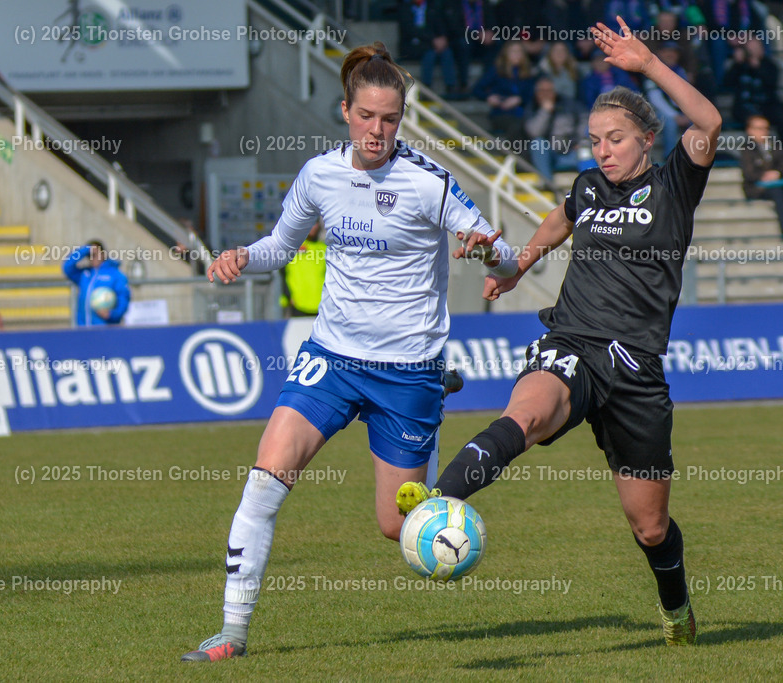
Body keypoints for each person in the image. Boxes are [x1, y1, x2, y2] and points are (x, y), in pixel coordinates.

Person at [182, 42, 516, 663]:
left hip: (406, 369)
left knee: (398, 528)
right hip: (331, 357)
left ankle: (433, 407)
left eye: (390, 119)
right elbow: (280, 246)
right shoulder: (319, 176)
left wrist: (485, 248)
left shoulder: (428, 182)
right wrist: (240, 257)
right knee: (266, 478)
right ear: (346, 111)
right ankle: (232, 633)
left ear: (402, 119)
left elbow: (503, 249)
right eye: (367, 116)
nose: (378, 131)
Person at [396, 17, 722, 647]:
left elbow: (708, 124)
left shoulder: (676, 185)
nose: (603, 150)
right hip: (572, 340)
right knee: (528, 413)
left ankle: (677, 608)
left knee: (649, 528)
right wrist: (519, 263)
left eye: (616, 139)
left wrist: (649, 65)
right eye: (596, 139)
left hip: (636, 371)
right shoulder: (589, 186)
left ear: (647, 140)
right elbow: (561, 217)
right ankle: (435, 503)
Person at [524, 77, 589, 183]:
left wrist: (581, 141)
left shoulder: (570, 104)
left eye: (549, 90)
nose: (545, 94)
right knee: (537, 143)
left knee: (587, 150)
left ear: (554, 92)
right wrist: (545, 111)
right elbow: (534, 132)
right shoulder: (532, 108)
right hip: (550, 156)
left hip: (572, 152)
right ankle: (548, 185)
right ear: (536, 93)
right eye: (541, 91)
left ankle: (592, 189)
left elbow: (585, 119)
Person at [62, 240, 130, 326]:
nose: (92, 258)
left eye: (94, 255)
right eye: (89, 256)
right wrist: (85, 250)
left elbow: (123, 298)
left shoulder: (115, 275)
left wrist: (112, 314)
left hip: (104, 329)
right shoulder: (85, 274)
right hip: (83, 328)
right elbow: (67, 267)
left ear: (102, 254)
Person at [398, 0, 458, 95]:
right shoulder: (405, 8)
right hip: (413, 46)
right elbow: (409, 30)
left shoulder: (433, 7)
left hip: (432, 44)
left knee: (447, 52)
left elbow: (440, 25)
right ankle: (427, 87)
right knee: (430, 53)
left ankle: (450, 86)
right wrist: (432, 40)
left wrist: (442, 38)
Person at [739, 114, 783, 238]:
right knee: (778, 194)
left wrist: (777, 173)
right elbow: (748, 173)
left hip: (777, 183)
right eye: (759, 128)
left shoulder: (775, 146)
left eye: (765, 128)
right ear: (749, 130)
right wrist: (765, 175)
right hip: (757, 188)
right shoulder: (747, 149)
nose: (763, 132)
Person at [280, 219, 326, 316]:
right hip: (297, 304)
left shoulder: (324, 248)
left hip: (321, 305)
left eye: (314, 223)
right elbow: (282, 274)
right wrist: (288, 296)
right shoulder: (292, 246)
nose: (312, 227)